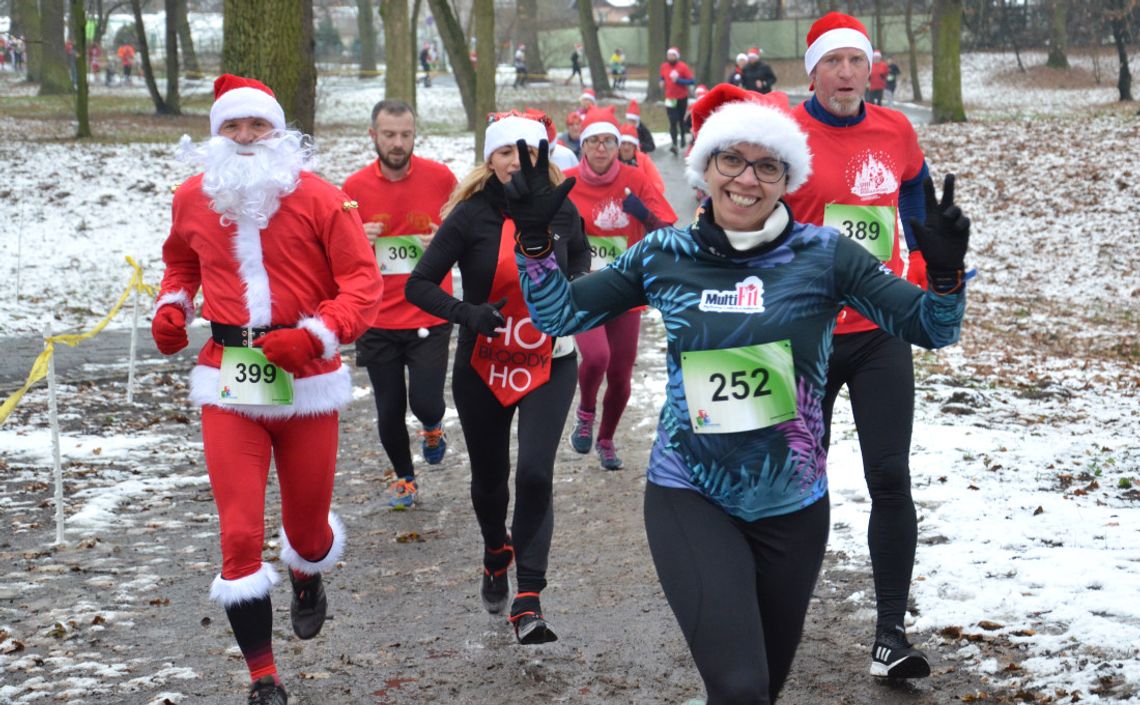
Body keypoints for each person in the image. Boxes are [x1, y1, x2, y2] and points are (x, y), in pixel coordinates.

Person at [512, 82, 970, 705]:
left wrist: (943, 277)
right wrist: (536, 246)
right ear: (705, 169)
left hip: (793, 505)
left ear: (787, 179)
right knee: (740, 686)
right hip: (689, 492)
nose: (746, 180)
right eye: (731, 160)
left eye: (767, 166)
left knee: (761, 690)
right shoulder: (664, 254)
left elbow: (931, 328)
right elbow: (557, 315)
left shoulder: (826, 256)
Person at [150, 74, 383, 704]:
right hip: (231, 380)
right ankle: (263, 679)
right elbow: (181, 262)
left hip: (305, 380)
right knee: (240, 534)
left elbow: (363, 285)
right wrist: (173, 305)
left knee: (305, 533)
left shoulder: (320, 198)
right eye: (233, 126)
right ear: (215, 134)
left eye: (258, 126)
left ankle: (308, 571)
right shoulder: (193, 198)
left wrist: (314, 336)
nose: (246, 137)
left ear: (281, 134)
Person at [782, 12, 939, 680]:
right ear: (812, 70)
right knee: (794, 481)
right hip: (803, 335)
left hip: (879, 331)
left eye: (856, 61)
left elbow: (919, 209)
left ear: (870, 68)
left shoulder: (896, 130)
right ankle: (769, 615)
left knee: (890, 474)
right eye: (833, 63)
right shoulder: (785, 135)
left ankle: (890, 633)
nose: (847, 74)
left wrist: (932, 275)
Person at [405, 110, 590, 644]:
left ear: (545, 156)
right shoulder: (469, 216)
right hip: (484, 363)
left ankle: (528, 596)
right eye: (505, 151)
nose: (516, 161)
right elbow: (419, 286)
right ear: (490, 158)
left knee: (535, 473)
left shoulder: (562, 209)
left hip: (551, 359)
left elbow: (582, 260)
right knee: (490, 482)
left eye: (527, 150)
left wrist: (576, 290)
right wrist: (469, 313)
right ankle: (495, 550)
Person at [342, 99, 458, 509]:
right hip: (377, 317)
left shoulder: (441, 177)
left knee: (424, 400)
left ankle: (432, 425)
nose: (397, 143)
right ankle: (405, 478)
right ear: (373, 135)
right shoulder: (353, 190)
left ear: (414, 135)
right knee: (388, 409)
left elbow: (464, 228)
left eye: (405, 135)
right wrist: (361, 238)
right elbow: (339, 252)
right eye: (389, 135)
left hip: (429, 309)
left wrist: (441, 239)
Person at [563, 107, 677, 470]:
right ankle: (584, 413)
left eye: (608, 141)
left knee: (621, 376)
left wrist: (642, 213)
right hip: (582, 286)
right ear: (583, 146)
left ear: (618, 146)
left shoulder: (636, 179)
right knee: (597, 357)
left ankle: (607, 438)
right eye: (594, 141)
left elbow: (668, 230)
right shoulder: (564, 181)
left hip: (626, 289)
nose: (601, 148)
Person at [659, 47, 695, 154]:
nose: (670, 57)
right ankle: (674, 144)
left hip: (681, 98)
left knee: (681, 119)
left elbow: (691, 81)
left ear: (677, 56)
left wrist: (678, 80)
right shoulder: (664, 66)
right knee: (672, 121)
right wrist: (661, 81)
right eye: (669, 55)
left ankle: (683, 136)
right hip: (669, 98)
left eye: (673, 55)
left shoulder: (682, 67)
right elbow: (662, 77)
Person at [618, 123, 665, 195]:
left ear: (634, 145)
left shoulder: (644, 160)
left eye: (629, 143)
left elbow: (658, 185)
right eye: (623, 143)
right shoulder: (612, 160)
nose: (626, 147)